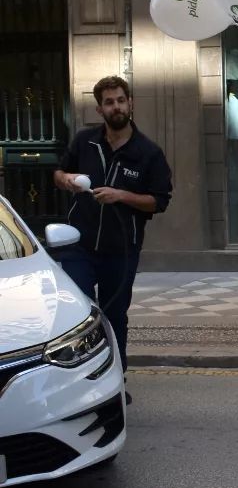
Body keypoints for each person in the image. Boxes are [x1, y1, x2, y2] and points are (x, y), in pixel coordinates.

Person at [53, 76, 173, 403]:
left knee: (114, 315)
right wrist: (68, 180)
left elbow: (159, 200)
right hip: (79, 246)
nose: (116, 107)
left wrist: (122, 195)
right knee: (79, 315)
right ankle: (77, 383)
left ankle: (115, 382)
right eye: (109, 102)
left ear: (130, 103)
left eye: (121, 100)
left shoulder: (148, 152)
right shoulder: (85, 142)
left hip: (121, 250)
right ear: (99, 108)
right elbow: (59, 173)